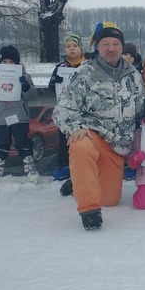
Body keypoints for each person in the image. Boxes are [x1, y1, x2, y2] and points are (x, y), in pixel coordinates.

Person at [53, 21, 145, 230]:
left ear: (122, 47)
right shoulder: (85, 72)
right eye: (106, 44)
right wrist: (76, 127)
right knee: (79, 146)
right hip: (93, 135)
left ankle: (79, 180)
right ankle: (89, 210)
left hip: (117, 145)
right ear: (97, 46)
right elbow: (62, 109)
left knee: (110, 199)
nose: (111, 48)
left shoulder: (133, 74)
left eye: (116, 44)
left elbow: (142, 107)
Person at [0, 45, 39, 185]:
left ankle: (29, 164)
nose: (8, 64)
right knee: (1, 141)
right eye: (4, 61)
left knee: (22, 140)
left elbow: (32, 96)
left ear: (17, 63)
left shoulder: (25, 76)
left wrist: (25, 86)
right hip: (0, 117)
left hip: (19, 116)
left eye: (11, 62)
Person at [48, 32, 86, 182]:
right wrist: (55, 81)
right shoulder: (60, 67)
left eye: (75, 46)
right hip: (64, 110)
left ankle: (82, 166)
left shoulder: (87, 66)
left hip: (83, 110)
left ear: (81, 48)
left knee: (81, 139)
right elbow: (51, 87)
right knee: (64, 140)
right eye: (68, 46)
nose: (71, 49)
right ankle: (63, 166)